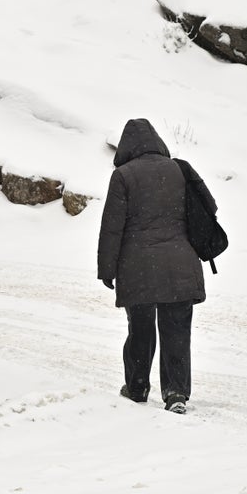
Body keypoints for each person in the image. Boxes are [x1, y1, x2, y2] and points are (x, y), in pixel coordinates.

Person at [96, 118, 208, 414]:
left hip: (139, 267)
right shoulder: (179, 169)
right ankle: (176, 394)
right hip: (181, 263)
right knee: (177, 331)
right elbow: (205, 207)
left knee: (141, 330)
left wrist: (106, 269)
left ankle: (137, 387)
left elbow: (112, 227)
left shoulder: (123, 176)